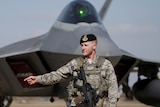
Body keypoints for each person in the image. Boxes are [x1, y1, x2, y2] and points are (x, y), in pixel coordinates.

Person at [24, 34, 119, 107]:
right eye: (82, 45)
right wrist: (38, 79)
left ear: (94, 46)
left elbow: (113, 88)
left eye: (86, 45)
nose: (83, 48)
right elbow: (57, 75)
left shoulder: (105, 65)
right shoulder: (76, 64)